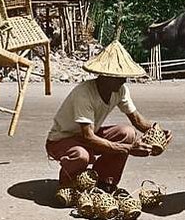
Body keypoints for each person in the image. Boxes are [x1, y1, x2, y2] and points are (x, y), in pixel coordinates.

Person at [45, 40, 172, 192]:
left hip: (88, 136)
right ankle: (67, 183)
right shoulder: (84, 93)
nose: (124, 80)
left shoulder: (120, 90)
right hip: (62, 140)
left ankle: (104, 180)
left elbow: (137, 120)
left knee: (127, 133)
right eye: (119, 77)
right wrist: (128, 148)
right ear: (105, 76)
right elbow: (88, 137)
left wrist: (157, 132)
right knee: (81, 155)